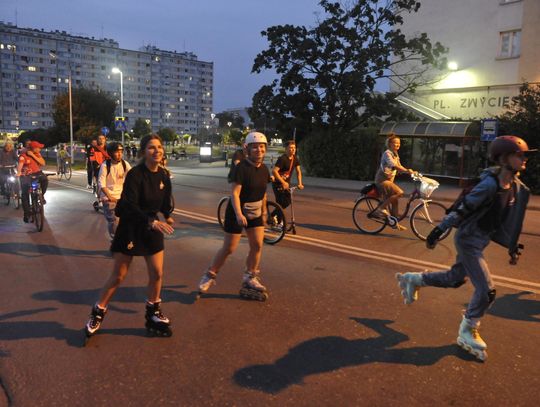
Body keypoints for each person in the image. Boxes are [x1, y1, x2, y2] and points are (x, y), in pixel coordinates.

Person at [396, 135, 536, 361]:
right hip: (468, 239)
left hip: (481, 239)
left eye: (525, 155)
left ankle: (414, 279)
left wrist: (511, 247)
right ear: (503, 158)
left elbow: (507, 220)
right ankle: (468, 328)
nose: (524, 159)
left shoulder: (516, 188)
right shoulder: (489, 185)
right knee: (487, 290)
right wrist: (437, 231)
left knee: (454, 278)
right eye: (519, 155)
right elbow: (461, 209)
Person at [85, 134, 175, 338]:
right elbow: (130, 205)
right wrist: (152, 221)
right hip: (131, 226)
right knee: (118, 276)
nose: (157, 151)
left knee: (157, 273)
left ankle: (153, 311)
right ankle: (97, 312)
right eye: (152, 148)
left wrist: (168, 216)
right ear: (143, 152)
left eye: (159, 147)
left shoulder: (163, 175)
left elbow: (164, 203)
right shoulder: (135, 174)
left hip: (152, 226)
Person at [198, 132, 270, 301]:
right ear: (248, 149)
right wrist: (238, 214)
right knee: (229, 248)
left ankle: (250, 276)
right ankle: (210, 275)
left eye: (261, 147)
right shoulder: (241, 168)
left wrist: (265, 211)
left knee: (257, 245)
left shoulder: (264, 169)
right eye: (255, 147)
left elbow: (263, 193)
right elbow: (235, 193)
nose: (259, 150)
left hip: (256, 210)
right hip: (237, 210)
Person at [374, 133, 414, 231]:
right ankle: (381, 209)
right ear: (390, 144)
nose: (397, 145)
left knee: (395, 202)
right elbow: (393, 165)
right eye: (395, 143)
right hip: (382, 180)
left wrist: (411, 172)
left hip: (389, 181)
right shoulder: (387, 153)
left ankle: (395, 224)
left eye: (399, 143)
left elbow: (399, 167)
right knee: (400, 193)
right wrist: (406, 170)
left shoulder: (396, 154)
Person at [97, 142, 131, 239]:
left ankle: (122, 240)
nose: (120, 154)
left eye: (121, 151)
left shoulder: (124, 164)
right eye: (117, 152)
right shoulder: (105, 165)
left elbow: (133, 175)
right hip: (108, 197)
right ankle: (114, 240)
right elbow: (101, 183)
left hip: (121, 197)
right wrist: (109, 196)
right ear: (111, 153)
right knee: (114, 221)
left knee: (127, 220)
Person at [17, 140, 48, 223]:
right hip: (26, 175)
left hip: (37, 173)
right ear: (33, 148)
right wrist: (19, 172)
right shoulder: (23, 155)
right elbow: (20, 166)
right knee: (25, 193)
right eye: (38, 148)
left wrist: (34, 156)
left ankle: (41, 196)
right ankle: (27, 213)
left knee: (45, 179)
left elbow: (43, 163)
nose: (40, 150)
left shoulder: (37, 154)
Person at [272, 140, 304, 211]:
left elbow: (298, 171)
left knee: (287, 201)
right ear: (286, 149)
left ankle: (273, 217)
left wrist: (300, 183)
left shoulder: (295, 159)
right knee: (280, 203)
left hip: (286, 184)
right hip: (278, 184)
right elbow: (274, 171)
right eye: (291, 147)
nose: (293, 149)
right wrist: (283, 182)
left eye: (294, 148)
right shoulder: (282, 159)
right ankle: (278, 220)